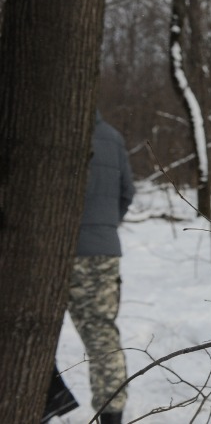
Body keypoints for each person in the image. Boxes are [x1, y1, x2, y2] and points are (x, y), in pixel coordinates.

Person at [47, 111, 135, 424]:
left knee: (36, 329)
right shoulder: (112, 136)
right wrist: (104, 228)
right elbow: (127, 192)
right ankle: (112, 416)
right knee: (102, 337)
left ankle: (45, 400)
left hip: (49, 251)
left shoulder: (43, 130)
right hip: (102, 252)